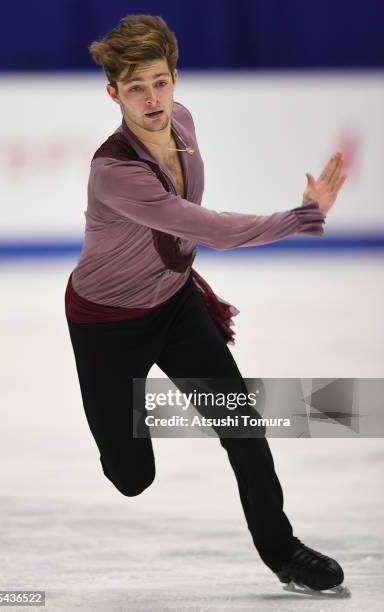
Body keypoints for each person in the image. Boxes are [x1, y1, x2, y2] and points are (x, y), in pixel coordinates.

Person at [65, 14, 350, 598]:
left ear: (175, 79)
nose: (152, 99)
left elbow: (193, 233)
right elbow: (207, 228)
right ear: (112, 92)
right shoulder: (114, 172)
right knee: (132, 477)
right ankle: (120, 425)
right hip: (106, 327)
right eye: (136, 86)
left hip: (174, 304)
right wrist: (301, 216)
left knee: (241, 424)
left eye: (161, 82)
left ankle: (283, 550)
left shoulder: (183, 125)